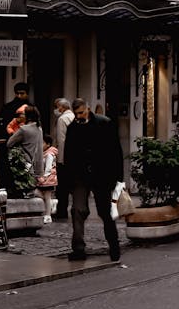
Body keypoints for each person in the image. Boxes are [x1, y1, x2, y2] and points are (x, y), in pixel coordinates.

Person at [63, 98, 124, 261]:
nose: (78, 116)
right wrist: (69, 180)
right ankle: (78, 249)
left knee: (105, 212)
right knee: (77, 210)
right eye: (76, 114)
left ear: (88, 109)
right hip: (80, 176)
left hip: (101, 176)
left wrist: (118, 178)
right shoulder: (73, 128)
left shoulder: (104, 123)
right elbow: (68, 155)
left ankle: (114, 245)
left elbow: (115, 151)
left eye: (81, 113)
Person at [7, 107, 45, 180]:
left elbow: (9, 143)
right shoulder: (39, 128)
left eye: (23, 114)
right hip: (36, 167)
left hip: (24, 165)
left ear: (28, 116)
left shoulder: (24, 129)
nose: (21, 116)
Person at [53, 98, 75, 221]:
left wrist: (60, 159)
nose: (56, 110)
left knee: (62, 187)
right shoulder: (73, 117)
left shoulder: (62, 119)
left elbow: (62, 141)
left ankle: (62, 211)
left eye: (57, 107)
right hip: (75, 158)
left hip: (65, 158)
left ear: (61, 107)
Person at [36, 135, 58, 223]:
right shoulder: (44, 153)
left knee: (47, 196)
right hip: (44, 178)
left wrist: (44, 177)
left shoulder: (49, 154)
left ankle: (48, 216)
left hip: (49, 179)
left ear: (48, 144)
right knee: (40, 194)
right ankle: (52, 203)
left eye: (42, 143)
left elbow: (48, 168)